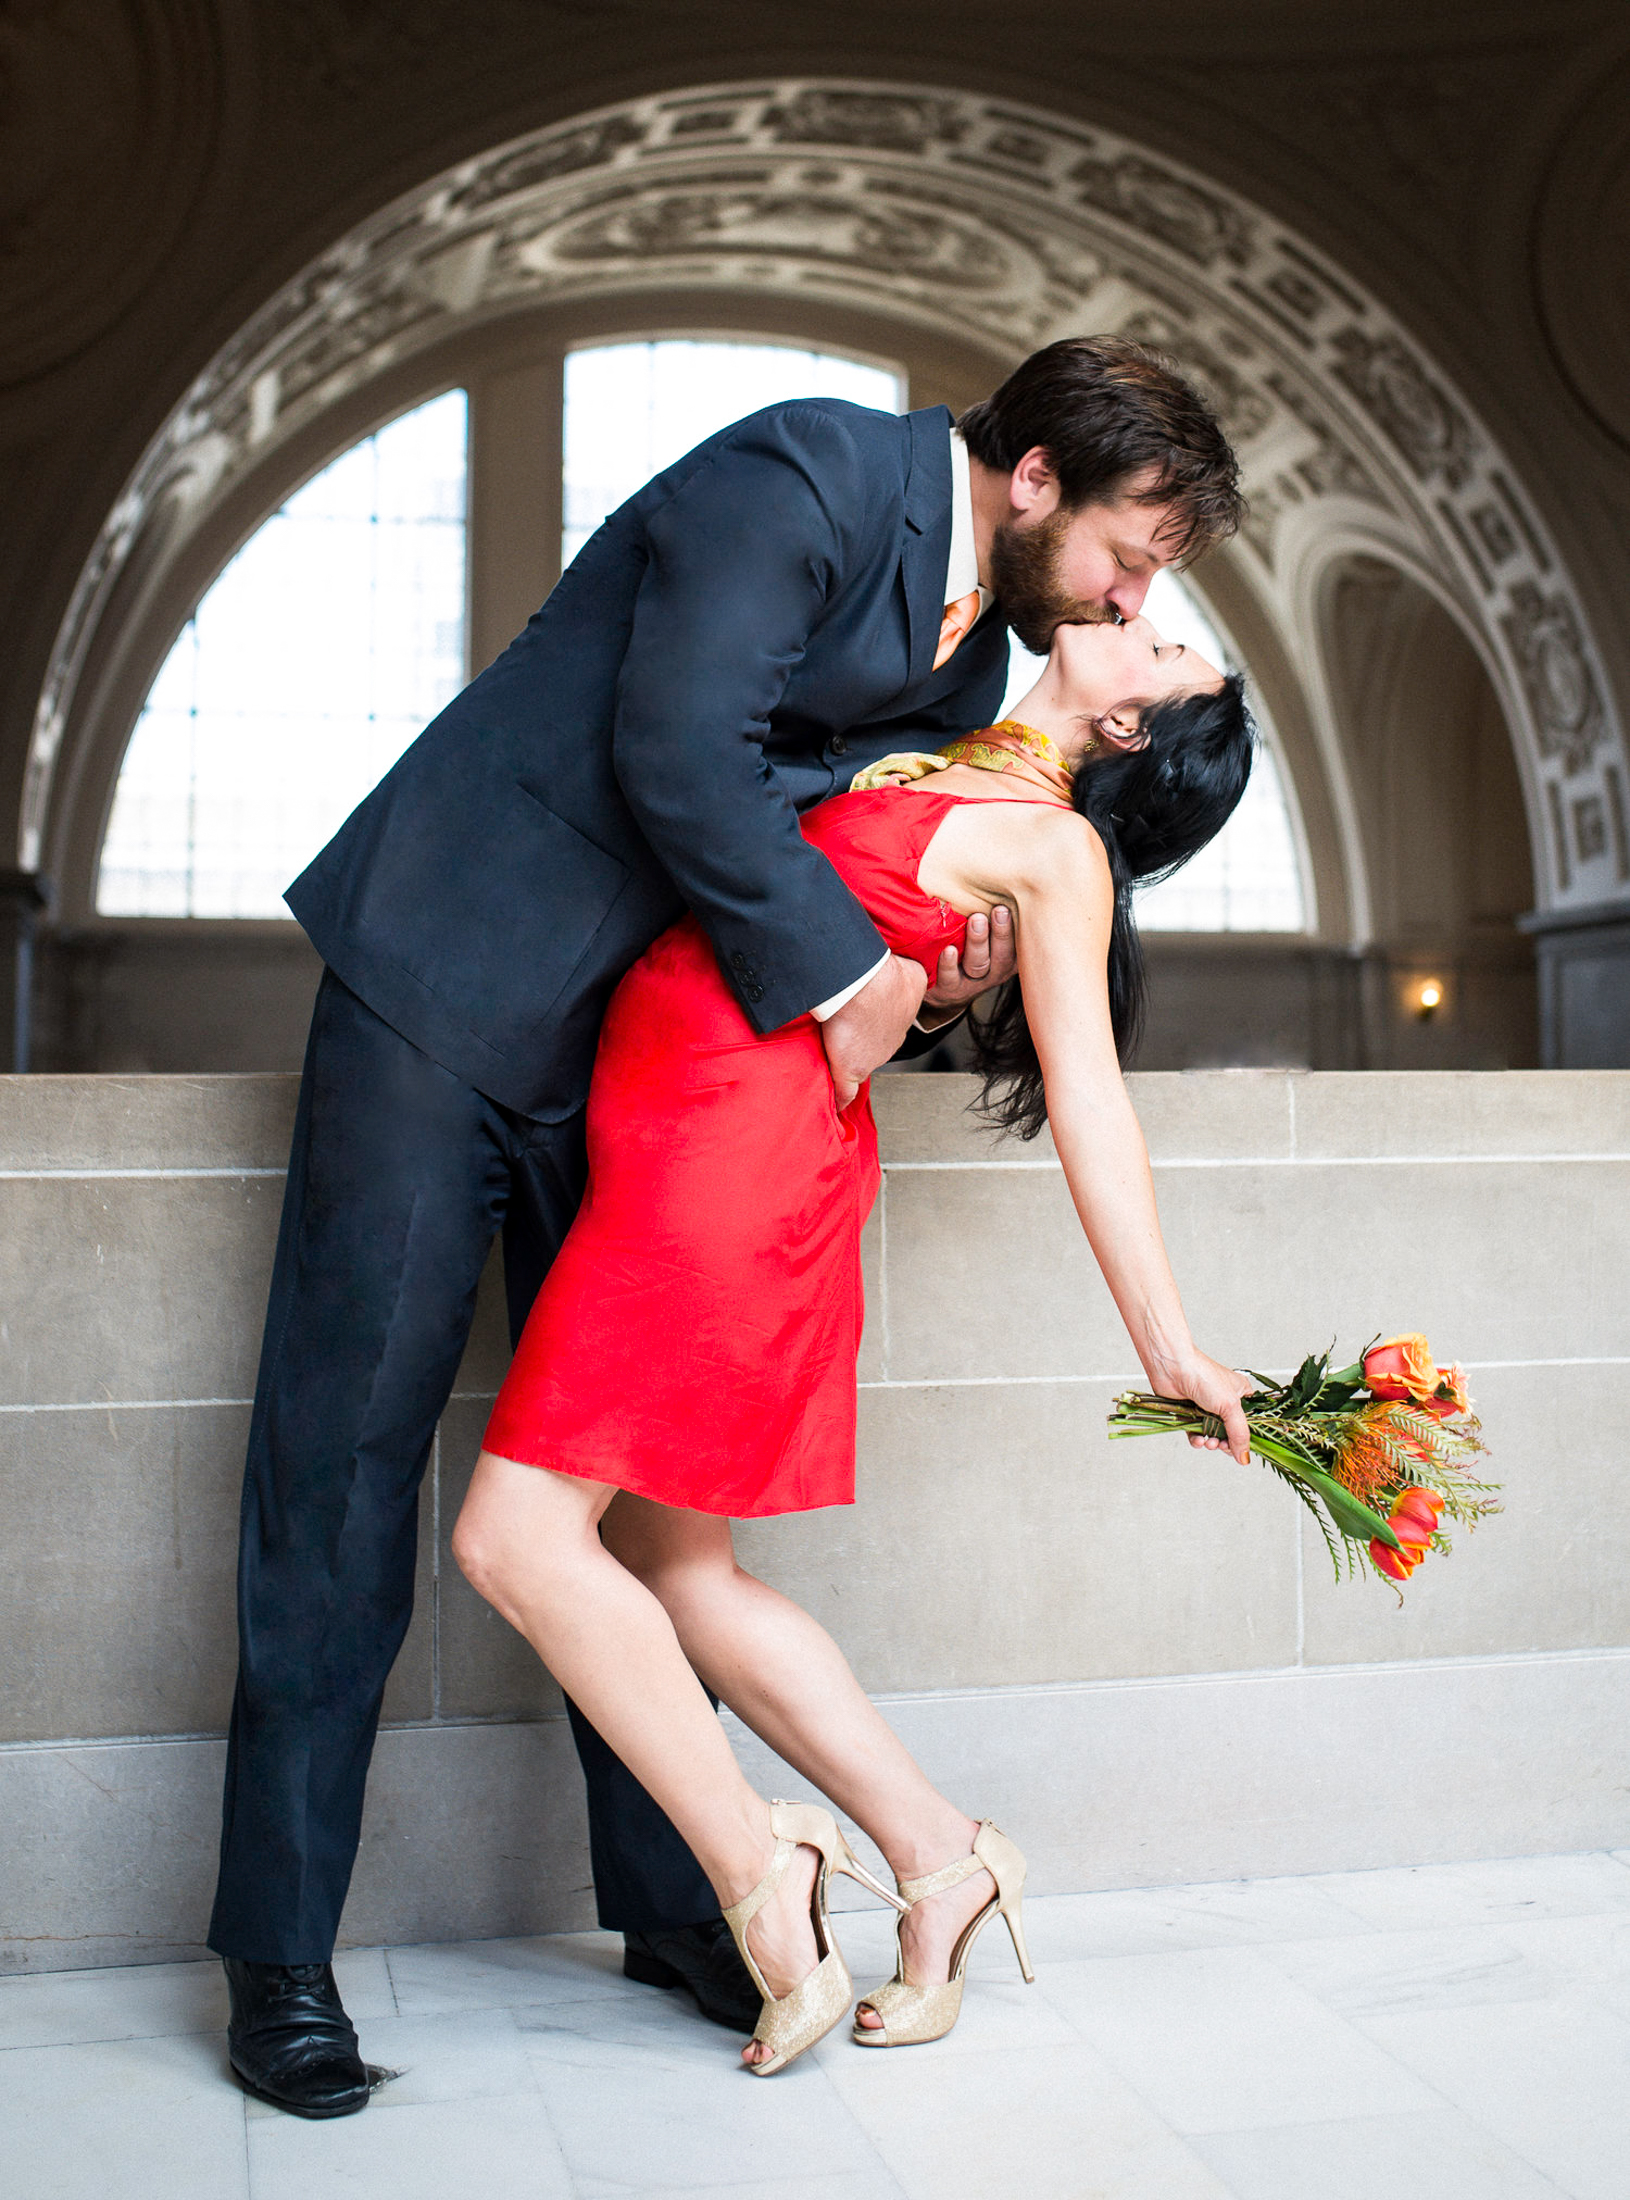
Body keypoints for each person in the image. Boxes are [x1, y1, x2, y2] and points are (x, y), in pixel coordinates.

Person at [210, 337, 1244, 2117]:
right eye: (1130, 555)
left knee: (617, 1509)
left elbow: (857, 850)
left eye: (1149, 590)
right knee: (345, 1464)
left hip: (656, 1066)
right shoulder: (803, 473)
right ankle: (282, 1958)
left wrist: (932, 966)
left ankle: (684, 1909)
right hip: (448, 985)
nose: (1137, 592)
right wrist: (863, 970)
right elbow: (680, 749)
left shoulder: (990, 659)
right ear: (1033, 481)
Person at [452, 613, 1257, 2073]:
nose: (1137, 609)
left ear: (1134, 727)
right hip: (676, 1128)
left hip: (733, 1165)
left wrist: (1169, 1342)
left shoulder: (1055, 857)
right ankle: (942, 1858)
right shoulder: (942, 762)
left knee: (513, 1540)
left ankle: (760, 1873)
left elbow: (1091, 1103)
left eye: (1168, 641)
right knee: (677, 1570)